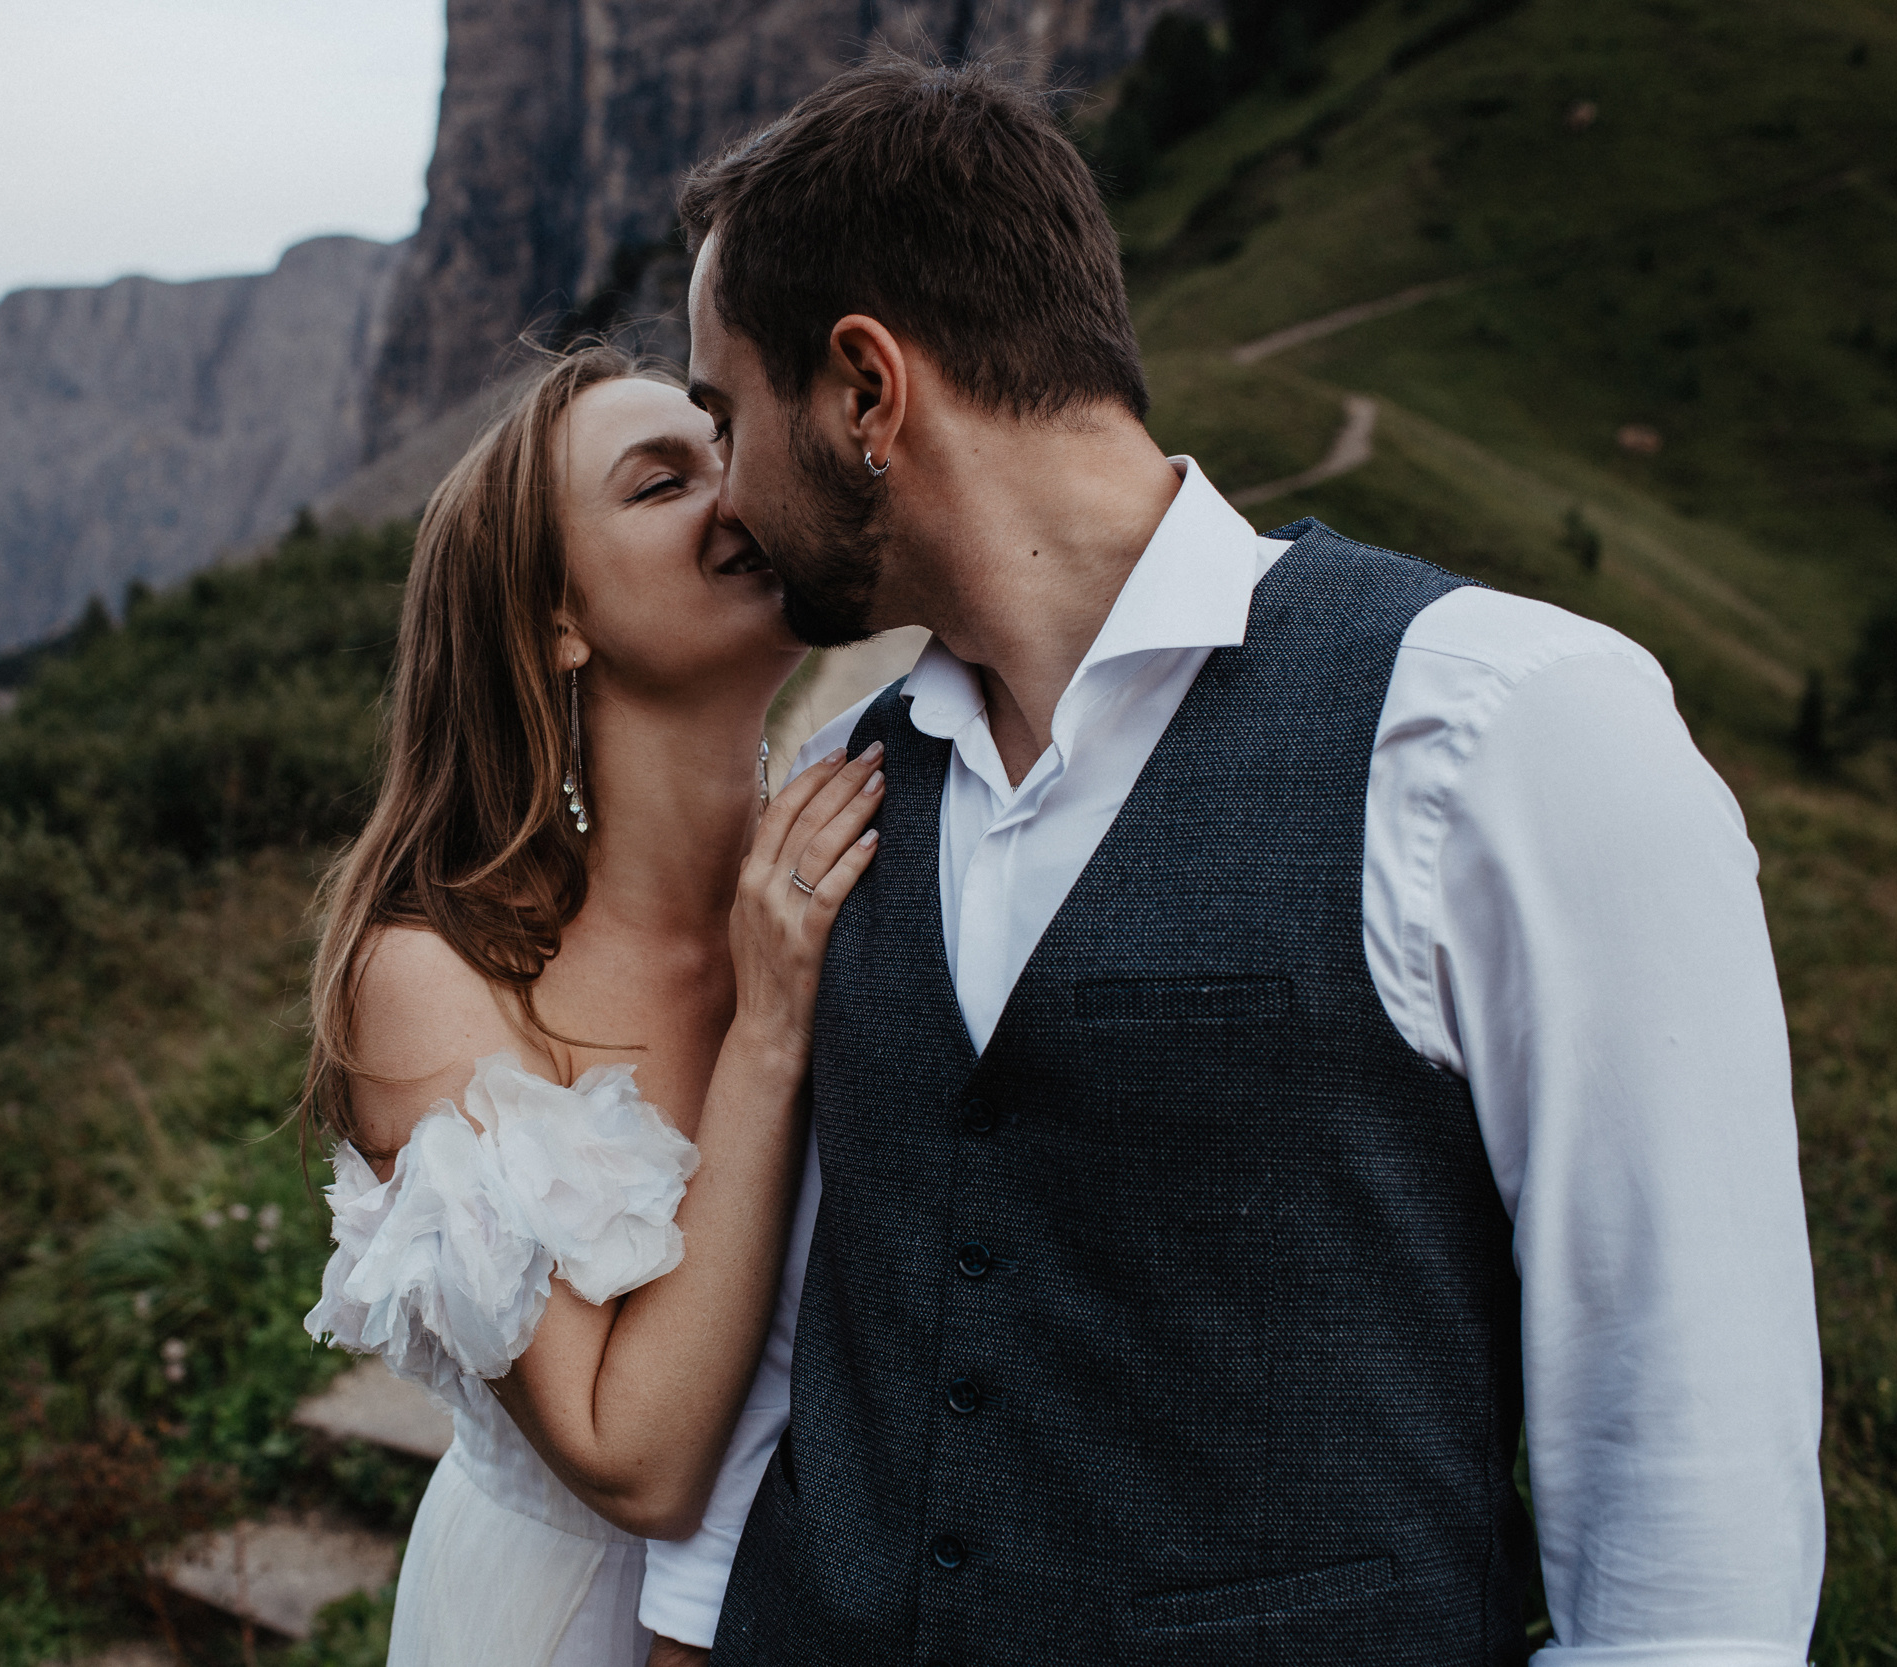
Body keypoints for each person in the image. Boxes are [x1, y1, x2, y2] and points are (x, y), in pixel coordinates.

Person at [638, 53, 1826, 1666]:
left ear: (864, 392)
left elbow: (1688, 1483)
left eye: (726, 411)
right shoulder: (848, 785)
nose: (723, 487)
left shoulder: (1501, 731)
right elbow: (807, 1324)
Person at [301, 344, 884, 1666]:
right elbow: (638, 1465)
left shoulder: (854, 858)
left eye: (724, 452)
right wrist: (767, 1035)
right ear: (558, 616)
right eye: (661, 482)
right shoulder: (435, 979)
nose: (734, 494)